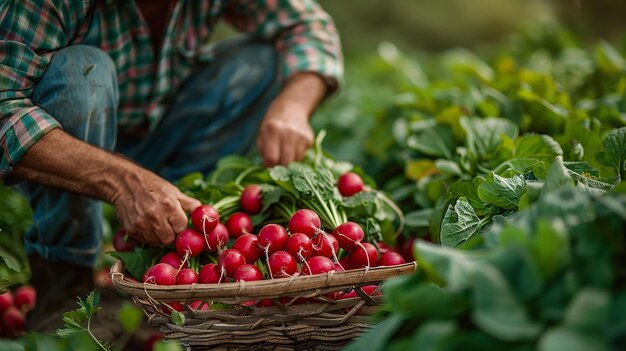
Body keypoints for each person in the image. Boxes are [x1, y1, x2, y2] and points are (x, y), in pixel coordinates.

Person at [0, 0, 342, 336]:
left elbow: (309, 24)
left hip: (163, 127)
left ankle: (172, 258)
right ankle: (65, 285)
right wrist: (124, 183)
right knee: (83, 72)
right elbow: (4, 107)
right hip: (69, 149)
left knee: (259, 62)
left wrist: (293, 104)